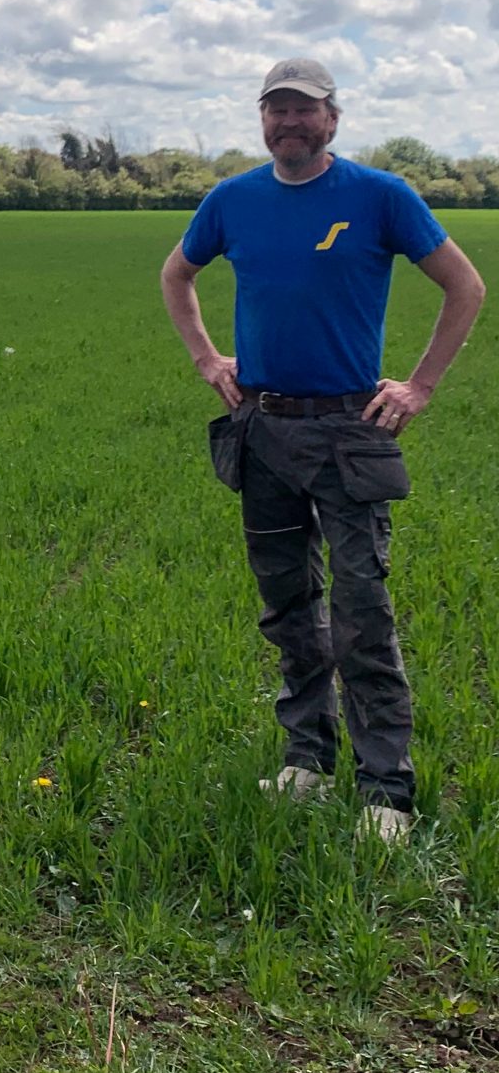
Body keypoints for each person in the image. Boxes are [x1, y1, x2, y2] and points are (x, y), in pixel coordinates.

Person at [160, 58, 485, 844]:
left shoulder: (379, 197)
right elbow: (178, 275)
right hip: (263, 428)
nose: (289, 122)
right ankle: (307, 758)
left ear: (332, 120)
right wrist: (210, 360)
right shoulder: (232, 201)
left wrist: (422, 386)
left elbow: (465, 286)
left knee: (362, 611)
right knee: (287, 608)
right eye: (276, 110)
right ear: (262, 121)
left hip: (350, 432)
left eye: (304, 110)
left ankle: (386, 788)